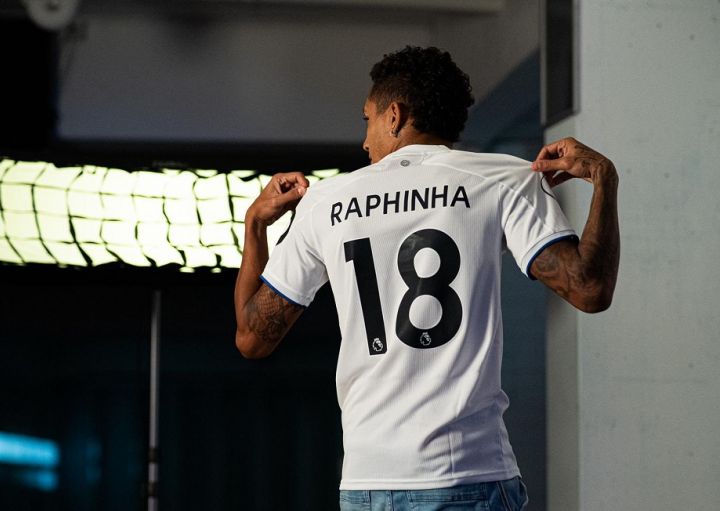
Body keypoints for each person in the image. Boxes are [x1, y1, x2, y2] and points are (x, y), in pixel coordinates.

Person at [234, 46, 619, 511]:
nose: (365, 142)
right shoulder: (505, 178)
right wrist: (603, 177)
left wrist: (255, 224)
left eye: (367, 121)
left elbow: (251, 338)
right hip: (470, 474)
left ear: (394, 116)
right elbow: (589, 290)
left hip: (368, 483)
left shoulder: (325, 202)